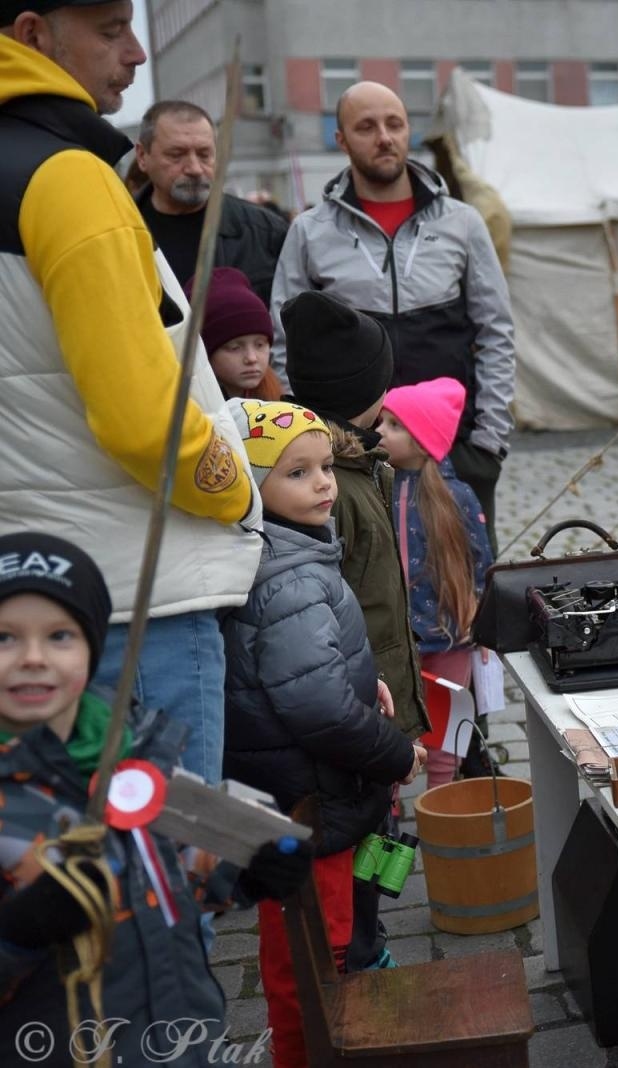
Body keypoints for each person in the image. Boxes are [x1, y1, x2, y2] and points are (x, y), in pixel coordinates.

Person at [0, 0, 262, 788]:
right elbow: (147, 421)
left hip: (27, 596)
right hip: (129, 600)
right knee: (154, 860)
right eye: (112, 30)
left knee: (48, 855)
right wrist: (236, 492)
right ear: (33, 34)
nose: (138, 53)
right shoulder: (67, 179)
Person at [0, 532, 311, 1067]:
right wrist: (17, 934)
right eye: (4, 637)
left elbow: (168, 871)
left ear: (92, 648)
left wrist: (245, 870)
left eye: (59, 635)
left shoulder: (132, 750)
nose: (33, 657)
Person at [219, 399, 424, 1068]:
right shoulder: (292, 577)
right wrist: (394, 753)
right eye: (297, 473)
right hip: (311, 805)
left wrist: (365, 681)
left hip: (303, 799)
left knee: (302, 952)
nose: (324, 484)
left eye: (326, 467)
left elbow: (304, 667)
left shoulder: (288, 553)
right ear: (254, 484)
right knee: (316, 960)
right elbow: (316, 705)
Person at [270, 80, 516, 548]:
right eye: (366, 127)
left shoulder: (462, 222)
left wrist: (489, 444)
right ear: (341, 139)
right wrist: (316, 445)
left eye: (394, 124)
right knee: (368, 582)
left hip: (453, 452)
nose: (384, 137)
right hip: (350, 459)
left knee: (463, 584)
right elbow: (285, 342)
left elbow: (496, 331)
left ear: (408, 130)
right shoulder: (310, 231)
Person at [281, 289, 430, 973]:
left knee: (381, 821)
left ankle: (369, 928)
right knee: (364, 823)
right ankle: (360, 946)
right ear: (364, 391)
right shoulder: (330, 486)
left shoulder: (359, 465)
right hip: (360, 697)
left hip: (380, 689)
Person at [376, 378, 492, 787]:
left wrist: (481, 624)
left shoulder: (457, 496)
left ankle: (440, 803)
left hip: (448, 638)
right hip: (392, 641)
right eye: (382, 421)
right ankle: (388, 808)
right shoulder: (375, 486)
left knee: (446, 730)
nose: (380, 430)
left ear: (424, 440)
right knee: (391, 727)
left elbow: (481, 564)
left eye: (394, 425)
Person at [133, 99, 287, 302]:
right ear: (142, 156)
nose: (195, 169)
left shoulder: (266, 233)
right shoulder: (119, 232)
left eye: (204, 155)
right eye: (176, 155)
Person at [195, 266, 283, 399]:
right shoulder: (190, 405)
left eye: (260, 345)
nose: (252, 358)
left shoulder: (275, 399)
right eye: (235, 348)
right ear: (205, 352)